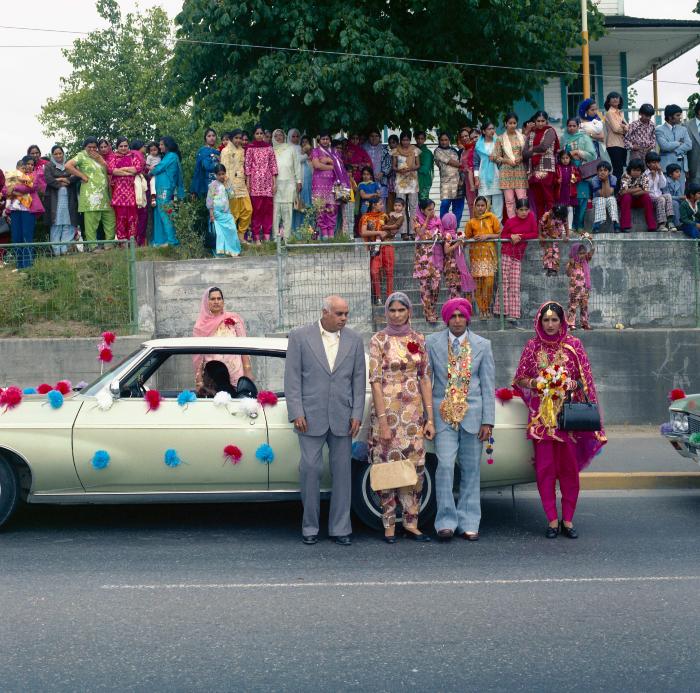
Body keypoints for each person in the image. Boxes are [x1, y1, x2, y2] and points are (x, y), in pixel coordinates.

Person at [513, 301, 606, 538]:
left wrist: (571, 384)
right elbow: (520, 379)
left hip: (568, 419)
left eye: (555, 320)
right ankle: (552, 520)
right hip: (542, 420)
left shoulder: (573, 345)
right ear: (539, 322)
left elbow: (586, 381)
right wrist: (538, 383)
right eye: (546, 320)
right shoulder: (532, 346)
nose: (551, 324)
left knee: (568, 470)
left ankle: (568, 520)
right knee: (545, 469)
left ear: (562, 321)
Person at [284, 295, 367, 546]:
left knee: (342, 473)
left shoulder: (354, 339)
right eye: (339, 314)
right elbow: (292, 378)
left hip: (343, 416)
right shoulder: (300, 337)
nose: (344, 318)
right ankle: (310, 527)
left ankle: (340, 528)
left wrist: (356, 414)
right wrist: (296, 411)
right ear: (325, 312)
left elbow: (358, 381)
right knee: (310, 470)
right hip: (309, 416)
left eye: (346, 314)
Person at [427, 297, 495, 541]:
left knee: (471, 470)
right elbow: (426, 381)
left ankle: (469, 521)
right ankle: (445, 521)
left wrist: (488, 421)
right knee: (444, 466)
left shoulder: (483, 345)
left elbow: (488, 385)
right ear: (446, 319)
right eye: (452, 316)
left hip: (473, 417)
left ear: (468, 317)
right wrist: (428, 418)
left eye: (461, 315)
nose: (457, 320)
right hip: (443, 416)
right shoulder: (432, 343)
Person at [369, 292, 435, 543]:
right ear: (386, 312)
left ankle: (411, 522)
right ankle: (388, 524)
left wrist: (430, 419)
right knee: (387, 468)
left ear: (409, 311)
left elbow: (425, 377)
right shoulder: (378, 340)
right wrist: (384, 422)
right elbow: (375, 382)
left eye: (401, 310)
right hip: (387, 413)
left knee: (414, 468)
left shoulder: (418, 339)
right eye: (392, 310)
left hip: (414, 415)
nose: (396, 315)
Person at [193, 286, 252, 390]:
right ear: (207, 302)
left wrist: (247, 372)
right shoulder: (200, 326)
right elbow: (198, 356)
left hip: (236, 373)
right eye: (212, 299)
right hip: (213, 376)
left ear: (223, 301)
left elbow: (245, 348)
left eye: (219, 298)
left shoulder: (234, 319)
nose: (216, 301)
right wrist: (199, 380)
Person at [64, 136, 116, 248]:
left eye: (94, 147)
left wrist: (101, 161)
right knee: (91, 223)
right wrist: (82, 175)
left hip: (105, 194)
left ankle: (109, 245)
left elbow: (108, 171)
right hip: (91, 196)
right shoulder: (81, 156)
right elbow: (68, 166)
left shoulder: (98, 157)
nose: (92, 149)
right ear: (85, 147)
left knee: (110, 219)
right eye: (89, 147)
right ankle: (93, 247)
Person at [496, 198, 538, 325]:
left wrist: (519, 237)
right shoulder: (510, 221)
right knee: (503, 282)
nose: (524, 212)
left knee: (515, 283)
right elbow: (502, 236)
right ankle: (501, 311)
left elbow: (535, 234)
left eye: (526, 209)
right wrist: (511, 236)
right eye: (521, 210)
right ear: (516, 210)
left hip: (518, 256)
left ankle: (513, 314)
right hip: (506, 253)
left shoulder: (531, 218)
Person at [1, 156, 44, 269]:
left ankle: (28, 265)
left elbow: (31, 187)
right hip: (15, 210)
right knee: (16, 237)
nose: (30, 166)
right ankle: (20, 265)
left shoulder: (34, 175)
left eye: (32, 165)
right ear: (22, 165)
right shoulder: (13, 175)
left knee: (26, 236)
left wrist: (14, 188)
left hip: (28, 210)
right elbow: (5, 190)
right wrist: (11, 188)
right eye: (27, 164)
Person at [464, 196, 501, 319]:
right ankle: (482, 310)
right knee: (478, 284)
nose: (480, 208)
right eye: (478, 206)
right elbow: (467, 237)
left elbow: (499, 233)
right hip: (476, 257)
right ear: (474, 207)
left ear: (486, 206)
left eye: (482, 205)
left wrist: (487, 236)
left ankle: (487, 307)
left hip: (488, 257)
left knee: (489, 283)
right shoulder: (471, 222)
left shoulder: (492, 218)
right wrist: (471, 239)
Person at [311, 132, 348, 240]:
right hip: (319, 184)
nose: (325, 141)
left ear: (330, 140)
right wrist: (332, 166)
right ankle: (324, 235)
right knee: (320, 209)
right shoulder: (315, 151)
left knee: (333, 208)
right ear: (319, 141)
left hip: (334, 184)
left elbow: (340, 166)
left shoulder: (334, 151)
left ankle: (331, 235)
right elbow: (316, 165)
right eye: (323, 139)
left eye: (327, 139)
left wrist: (328, 161)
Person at [149, 136, 185, 247]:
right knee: (159, 213)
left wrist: (151, 170)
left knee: (165, 213)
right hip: (161, 188)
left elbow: (158, 168)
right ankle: (161, 240)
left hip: (165, 189)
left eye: (161, 145)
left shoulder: (171, 156)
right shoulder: (168, 156)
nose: (159, 147)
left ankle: (172, 241)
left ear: (167, 145)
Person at [562, 117, 596, 232]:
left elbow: (592, 155)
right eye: (569, 126)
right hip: (567, 172)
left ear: (578, 126)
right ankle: (570, 227)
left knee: (582, 199)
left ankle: (580, 226)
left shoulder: (584, 138)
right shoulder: (563, 138)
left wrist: (578, 152)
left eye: (574, 126)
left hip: (582, 172)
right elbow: (560, 155)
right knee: (570, 200)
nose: (571, 128)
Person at [245, 125, 278, 243]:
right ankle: (256, 237)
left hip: (268, 184)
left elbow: (273, 165)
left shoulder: (269, 148)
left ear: (264, 135)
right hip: (255, 184)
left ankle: (267, 236)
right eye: (257, 133)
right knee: (256, 211)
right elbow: (247, 167)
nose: (259, 135)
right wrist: (248, 184)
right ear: (254, 135)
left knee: (267, 210)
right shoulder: (250, 148)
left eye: (261, 133)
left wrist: (274, 184)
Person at [43, 145, 79, 256]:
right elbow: (48, 179)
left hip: (69, 199)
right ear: (52, 155)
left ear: (63, 153)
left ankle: (65, 251)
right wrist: (63, 181)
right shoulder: (49, 166)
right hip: (54, 201)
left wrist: (64, 179)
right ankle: (57, 252)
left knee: (68, 224)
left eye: (60, 153)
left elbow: (76, 176)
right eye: (55, 154)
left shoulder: (69, 164)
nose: (58, 155)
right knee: (56, 225)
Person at [523, 111, 559, 221]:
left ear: (546, 121)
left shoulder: (550, 131)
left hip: (546, 167)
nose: (540, 123)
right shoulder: (532, 133)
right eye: (538, 121)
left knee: (548, 198)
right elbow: (524, 153)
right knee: (538, 199)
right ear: (534, 121)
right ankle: (540, 225)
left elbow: (544, 146)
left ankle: (551, 225)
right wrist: (534, 151)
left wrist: (532, 150)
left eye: (543, 121)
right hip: (533, 169)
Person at [412, 199, 444, 324]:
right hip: (423, 259)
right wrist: (426, 220)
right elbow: (420, 233)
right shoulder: (416, 220)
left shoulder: (437, 220)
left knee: (436, 286)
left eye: (433, 209)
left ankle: (433, 310)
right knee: (424, 288)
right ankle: (428, 313)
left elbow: (441, 233)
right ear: (422, 210)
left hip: (436, 257)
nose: (432, 212)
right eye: (429, 210)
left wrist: (439, 235)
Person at [107, 136, 143, 243]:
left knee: (132, 218)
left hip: (132, 192)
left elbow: (138, 168)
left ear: (128, 146)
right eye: (121, 146)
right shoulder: (113, 157)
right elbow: (111, 170)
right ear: (117, 147)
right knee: (120, 218)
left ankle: (132, 241)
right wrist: (129, 171)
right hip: (118, 193)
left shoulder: (133, 156)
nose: (123, 148)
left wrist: (121, 170)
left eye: (125, 146)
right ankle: (122, 241)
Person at [220, 129, 253, 243]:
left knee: (248, 210)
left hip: (241, 185)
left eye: (240, 138)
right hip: (230, 185)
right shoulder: (225, 151)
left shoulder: (242, 151)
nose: (239, 140)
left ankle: (241, 235)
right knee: (234, 213)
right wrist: (227, 187)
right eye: (236, 138)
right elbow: (224, 170)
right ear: (231, 138)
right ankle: (231, 239)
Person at [359, 198, 393, 304]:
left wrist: (386, 233)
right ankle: (378, 296)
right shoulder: (366, 217)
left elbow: (391, 231)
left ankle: (389, 297)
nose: (382, 206)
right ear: (374, 205)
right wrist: (378, 232)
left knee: (389, 271)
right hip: (374, 247)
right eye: (380, 203)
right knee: (374, 271)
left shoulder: (384, 216)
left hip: (386, 246)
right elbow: (363, 232)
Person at [494, 113, 528, 219]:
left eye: (514, 123)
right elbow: (496, 157)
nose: (512, 125)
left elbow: (527, 153)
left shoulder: (522, 137)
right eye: (510, 123)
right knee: (509, 201)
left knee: (522, 199)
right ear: (505, 124)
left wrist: (521, 158)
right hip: (506, 172)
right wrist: (507, 160)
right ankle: (513, 224)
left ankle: (523, 223)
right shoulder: (500, 139)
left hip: (520, 171)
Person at [271, 128, 301, 239]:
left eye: (281, 135)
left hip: (289, 183)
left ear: (284, 137)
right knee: (276, 211)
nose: (279, 138)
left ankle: (287, 237)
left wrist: (299, 181)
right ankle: (275, 238)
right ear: (273, 138)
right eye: (276, 136)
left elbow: (297, 165)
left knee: (287, 210)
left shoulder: (291, 148)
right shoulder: (271, 150)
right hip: (275, 184)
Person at [206, 164, 241, 257]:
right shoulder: (212, 185)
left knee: (232, 230)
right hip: (217, 215)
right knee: (220, 235)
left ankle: (232, 251)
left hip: (227, 213)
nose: (221, 176)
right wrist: (211, 215)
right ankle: (221, 253)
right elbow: (209, 201)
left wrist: (228, 184)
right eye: (219, 174)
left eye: (223, 174)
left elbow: (232, 196)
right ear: (215, 175)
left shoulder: (227, 184)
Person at [656, 104, 692, 191]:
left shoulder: (683, 129)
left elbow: (689, 145)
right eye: (678, 115)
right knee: (667, 192)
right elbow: (664, 146)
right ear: (670, 117)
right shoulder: (659, 129)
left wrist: (675, 150)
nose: (680, 117)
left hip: (681, 166)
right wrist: (678, 143)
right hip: (666, 166)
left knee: (681, 192)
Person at [392, 131, 421, 239]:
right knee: (400, 208)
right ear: (401, 140)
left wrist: (410, 168)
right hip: (400, 182)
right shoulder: (395, 151)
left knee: (413, 207)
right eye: (403, 140)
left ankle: (413, 231)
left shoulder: (415, 150)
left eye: (407, 140)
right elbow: (393, 166)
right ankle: (403, 232)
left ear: (410, 140)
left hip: (412, 181)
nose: (405, 142)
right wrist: (399, 170)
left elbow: (418, 165)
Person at [473, 122, 503, 220]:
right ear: (484, 131)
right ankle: (485, 227)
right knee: (483, 203)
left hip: (497, 175)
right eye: (489, 129)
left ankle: (498, 228)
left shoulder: (498, 143)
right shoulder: (478, 146)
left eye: (493, 128)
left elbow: (502, 159)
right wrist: (476, 179)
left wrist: (495, 159)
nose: (492, 131)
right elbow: (476, 164)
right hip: (483, 177)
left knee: (498, 205)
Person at [441, 211, 474, 300]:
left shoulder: (454, 234)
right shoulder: (447, 235)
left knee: (456, 289)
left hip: (455, 266)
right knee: (453, 290)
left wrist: (462, 242)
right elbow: (446, 250)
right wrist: (458, 243)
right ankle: (454, 309)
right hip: (451, 266)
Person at [433, 132, 464, 223]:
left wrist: (462, 178)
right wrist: (462, 165)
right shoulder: (437, 151)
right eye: (442, 140)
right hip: (446, 183)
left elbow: (460, 165)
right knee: (445, 205)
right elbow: (449, 161)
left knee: (458, 207)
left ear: (449, 141)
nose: (444, 142)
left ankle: (454, 229)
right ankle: (443, 228)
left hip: (458, 182)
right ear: (439, 141)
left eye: (446, 140)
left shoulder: (454, 151)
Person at [619, 159, 656, 233]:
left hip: (638, 200)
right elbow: (623, 192)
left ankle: (652, 226)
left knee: (646, 197)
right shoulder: (625, 175)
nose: (636, 172)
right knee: (627, 197)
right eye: (634, 170)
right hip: (625, 201)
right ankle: (625, 226)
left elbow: (646, 191)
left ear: (641, 171)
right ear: (630, 169)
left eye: (638, 170)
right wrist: (639, 188)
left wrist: (630, 191)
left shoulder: (644, 176)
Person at [643, 151, 677, 232]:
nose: (656, 164)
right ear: (648, 164)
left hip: (658, 195)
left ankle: (670, 221)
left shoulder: (659, 173)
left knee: (668, 195)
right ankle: (661, 224)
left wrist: (660, 173)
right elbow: (646, 188)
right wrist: (653, 176)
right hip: (650, 197)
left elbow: (663, 185)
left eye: (657, 162)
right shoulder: (645, 174)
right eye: (654, 162)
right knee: (661, 199)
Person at [603, 91, 628, 191]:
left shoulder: (620, 113)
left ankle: (618, 191)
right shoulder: (610, 113)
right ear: (608, 101)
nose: (615, 99)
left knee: (621, 170)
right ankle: (615, 192)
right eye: (612, 97)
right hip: (613, 144)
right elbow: (616, 129)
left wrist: (625, 127)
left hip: (622, 144)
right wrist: (625, 128)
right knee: (617, 170)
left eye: (617, 97)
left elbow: (628, 127)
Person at [566, 242, 594, 330]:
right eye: (580, 253)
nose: (582, 255)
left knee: (584, 306)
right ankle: (571, 324)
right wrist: (570, 265)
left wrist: (589, 241)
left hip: (584, 289)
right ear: (575, 253)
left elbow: (592, 251)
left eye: (583, 253)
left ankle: (584, 323)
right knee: (573, 306)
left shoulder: (585, 261)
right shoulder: (572, 262)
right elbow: (568, 273)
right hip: (575, 289)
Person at [291, 132, 313, 233]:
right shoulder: (299, 154)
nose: (304, 144)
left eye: (306, 142)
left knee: (310, 208)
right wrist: (304, 153)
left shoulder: (314, 155)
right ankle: (298, 231)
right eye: (302, 142)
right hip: (301, 186)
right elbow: (297, 161)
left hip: (312, 187)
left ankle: (310, 230)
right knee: (300, 207)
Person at [589, 161, 619, 233]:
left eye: (605, 170)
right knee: (601, 199)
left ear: (609, 172)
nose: (602, 172)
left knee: (612, 199)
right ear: (597, 172)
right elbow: (602, 194)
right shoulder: (594, 179)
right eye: (600, 170)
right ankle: (596, 225)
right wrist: (603, 181)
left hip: (609, 198)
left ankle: (616, 224)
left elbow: (609, 194)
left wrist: (606, 180)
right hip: (597, 199)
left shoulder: (613, 178)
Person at [539, 205, 569, 276]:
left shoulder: (563, 216)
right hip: (547, 237)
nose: (559, 218)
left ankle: (554, 269)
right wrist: (540, 235)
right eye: (558, 217)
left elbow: (566, 226)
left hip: (557, 237)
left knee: (555, 252)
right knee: (548, 252)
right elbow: (540, 224)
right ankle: (549, 269)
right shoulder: (547, 215)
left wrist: (567, 236)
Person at [190, 128, 220, 198]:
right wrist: (219, 162)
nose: (211, 138)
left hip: (219, 182)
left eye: (213, 135)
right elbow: (207, 166)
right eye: (209, 136)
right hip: (208, 183)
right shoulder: (203, 151)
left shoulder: (217, 151)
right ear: (205, 138)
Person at [130, 138, 149, 246]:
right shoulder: (138, 155)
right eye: (144, 146)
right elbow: (140, 171)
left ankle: (134, 240)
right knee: (142, 214)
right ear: (139, 147)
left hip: (130, 188)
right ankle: (139, 241)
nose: (145, 148)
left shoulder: (129, 155)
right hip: (139, 188)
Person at [555, 149, 581, 230]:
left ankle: (569, 227)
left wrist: (576, 179)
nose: (565, 160)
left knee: (570, 208)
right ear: (560, 159)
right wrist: (557, 181)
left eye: (567, 158)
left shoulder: (573, 168)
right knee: (562, 209)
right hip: (561, 191)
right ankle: (561, 227)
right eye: (563, 158)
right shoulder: (558, 168)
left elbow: (578, 176)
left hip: (570, 192)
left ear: (570, 158)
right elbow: (554, 178)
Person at [363, 128, 391, 201]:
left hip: (380, 179)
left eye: (376, 136)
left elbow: (388, 163)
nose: (374, 138)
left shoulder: (384, 149)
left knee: (380, 202)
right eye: (372, 136)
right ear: (369, 137)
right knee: (367, 203)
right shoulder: (363, 148)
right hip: (366, 179)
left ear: (379, 137)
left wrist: (383, 173)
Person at [415, 130, 434, 200]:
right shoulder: (411, 150)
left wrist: (412, 167)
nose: (420, 140)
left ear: (425, 139)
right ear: (415, 139)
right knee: (413, 203)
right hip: (412, 180)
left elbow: (425, 168)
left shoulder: (428, 153)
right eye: (418, 138)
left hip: (424, 180)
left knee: (423, 202)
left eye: (422, 138)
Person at [686, 101, 700, 186]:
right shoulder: (686, 125)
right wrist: (686, 168)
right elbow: (684, 150)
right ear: (699, 111)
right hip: (693, 168)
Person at [145, 140, 161, 208]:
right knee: (152, 182)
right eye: (151, 150)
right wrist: (151, 168)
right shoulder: (149, 157)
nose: (153, 152)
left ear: (158, 149)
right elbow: (147, 166)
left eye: (155, 150)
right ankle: (153, 197)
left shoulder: (160, 156)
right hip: (152, 173)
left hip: (159, 173)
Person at [386, 134, 399, 211]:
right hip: (390, 181)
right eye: (390, 143)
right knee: (391, 202)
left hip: (400, 181)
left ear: (397, 143)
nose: (391, 145)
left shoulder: (400, 153)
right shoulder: (388, 154)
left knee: (399, 202)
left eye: (393, 142)